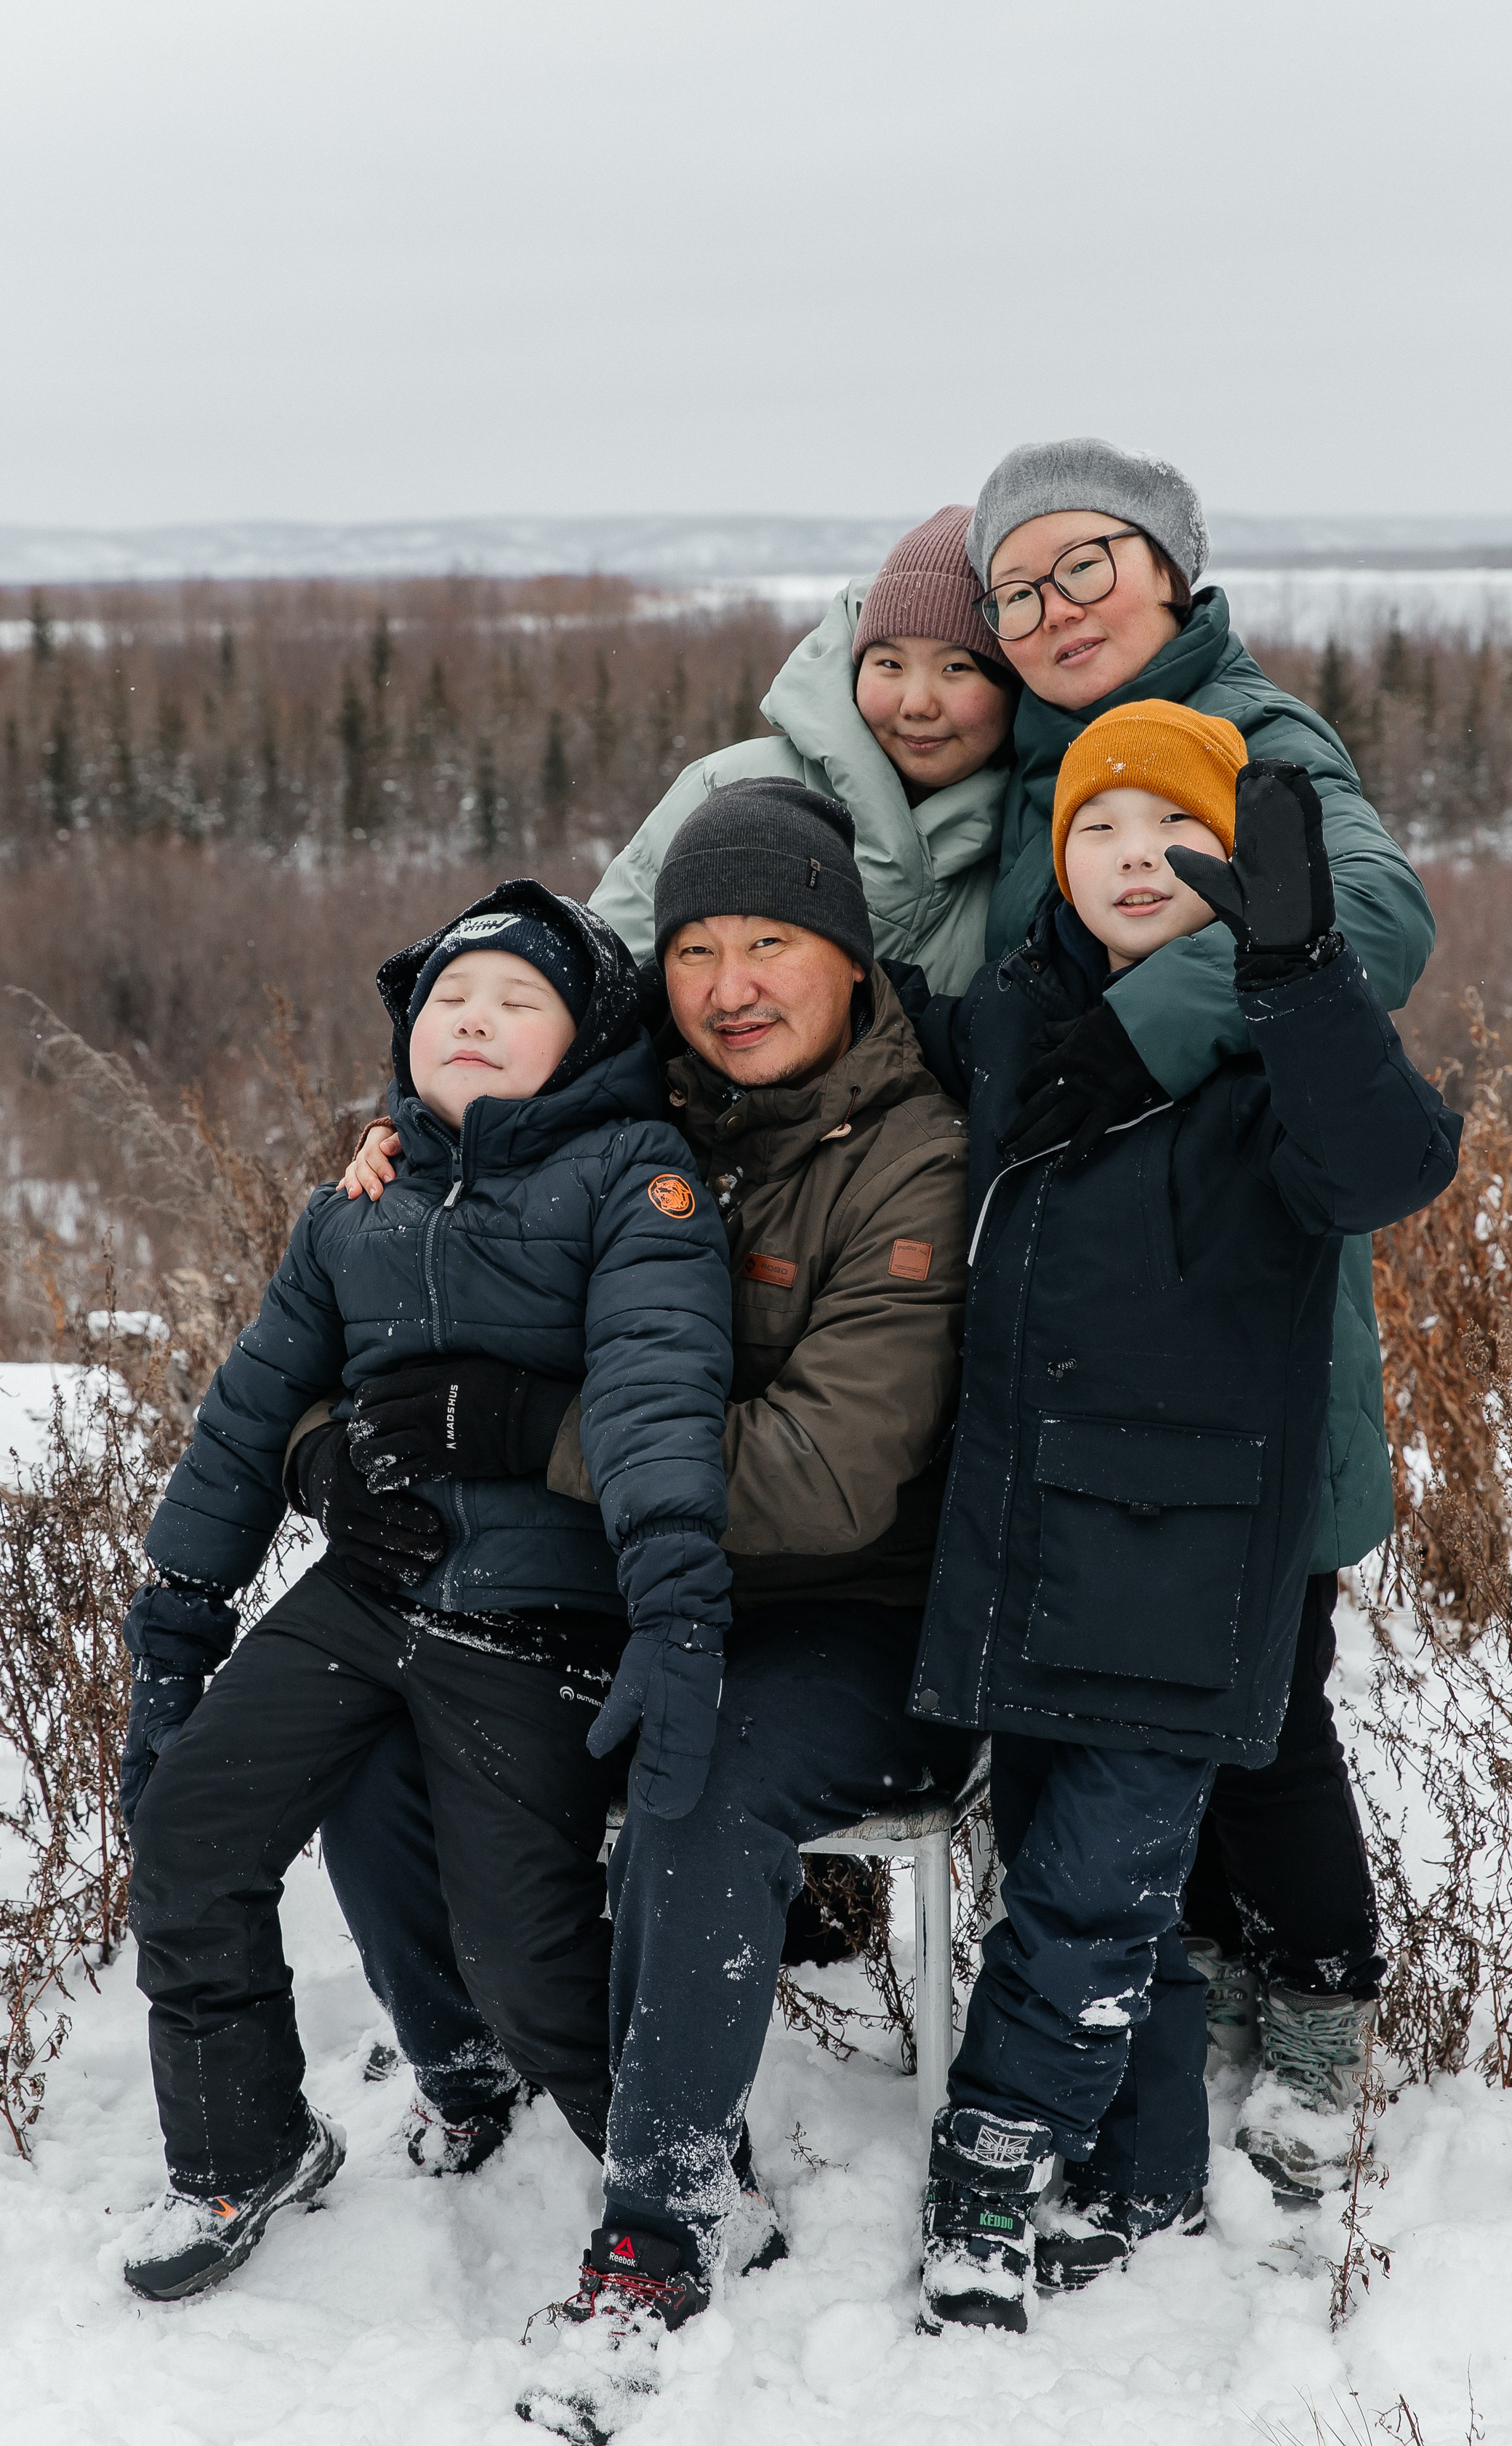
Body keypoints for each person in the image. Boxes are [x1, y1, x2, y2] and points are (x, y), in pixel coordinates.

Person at [337, 782, 978, 2439]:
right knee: (376, 1723)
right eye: (697, 947)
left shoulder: (909, 1154)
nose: (734, 980)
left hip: (851, 1611)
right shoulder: (643, 1113)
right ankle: (475, 2056)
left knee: (697, 1779)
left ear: (848, 960)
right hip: (633, 1579)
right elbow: (465, 1203)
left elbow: (836, 1474)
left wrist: (531, 1436)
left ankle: (668, 2214)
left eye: (775, 942)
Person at [904, 703, 1459, 2333]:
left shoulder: (1266, 1053)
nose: (1131, 861)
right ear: (1051, 861)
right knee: (1091, 1898)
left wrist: (1294, 971)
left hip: (1182, 1548)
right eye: (1094, 832)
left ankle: (986, 2170)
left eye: (1169, 834)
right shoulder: (1009, 1021)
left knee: (1088, 1889)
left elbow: (1385, 1164)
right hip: (1019, 1541)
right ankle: (1142, 2170)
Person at [115, 881, 734, 2301]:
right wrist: (175, 1626)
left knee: (525, 1957)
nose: (472, 1016)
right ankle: (243, 2143)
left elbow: (652, 1402)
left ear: (583, 1043)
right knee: (189, 1832)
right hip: (371, 1588)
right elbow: (248, 1406)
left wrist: (672, 1607)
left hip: (535, 1613)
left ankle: (676, 2182)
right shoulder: (360, 1202)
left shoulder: (635, 1179)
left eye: (516, 1001)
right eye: (449, 997)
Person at [966, 437, 1436, 2200]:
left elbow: (1371, 917)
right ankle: (1226, 1957)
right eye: (1016, 591)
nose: (1049, 610)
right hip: (1093, 1328)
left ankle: (1321, 1996)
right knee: (1168, 1691)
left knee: (1270, 1696)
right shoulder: (1027, 765)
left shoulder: (1252, 729)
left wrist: (1138, 1037)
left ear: (1172, 567)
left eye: (1083, 565)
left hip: (1243, 1298)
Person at [594, 504, 1016, 995]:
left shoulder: (1046, 835)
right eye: (888, 663)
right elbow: (603, 981)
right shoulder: (733, 788)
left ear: (1014, 683)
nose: (916, 704)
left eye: (955, 669)